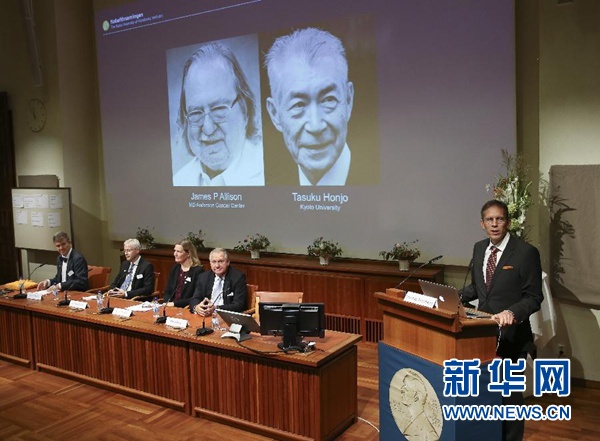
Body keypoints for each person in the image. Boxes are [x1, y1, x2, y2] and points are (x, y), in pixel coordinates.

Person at [460, 199, 543, 441]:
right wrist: (453, 297)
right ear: (482, 224)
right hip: (482, 335)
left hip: (511, 337)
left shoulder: (526, 252)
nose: (494, 224)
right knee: (486, 395)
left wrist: (513, 313)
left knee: (509, 400)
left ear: (508, 222)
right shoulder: (479, 248)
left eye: (499, 219)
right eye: (490, 220)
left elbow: (534, 297)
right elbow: (478, 289)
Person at [265, 27, 356, 186]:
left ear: (348, 100)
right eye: (298, 105)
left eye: (328, 100)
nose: (316, 126)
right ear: (275, 114)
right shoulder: (272, 188)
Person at [172, 41, 264, 186]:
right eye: (196, 113)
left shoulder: (269, 171)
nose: (208, 128)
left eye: (219, 109)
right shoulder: (179, 181)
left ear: (244, 110)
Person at [188, 248, 247, 316]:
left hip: (226, 316)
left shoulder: (238, 277)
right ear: (210, 263)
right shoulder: (203, 277)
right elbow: (195, 298)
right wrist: (197, 307)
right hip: (206, 315)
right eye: (214, 262)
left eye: (221, 261)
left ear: (228, 262)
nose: (217, 266)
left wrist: (216, 308)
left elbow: (239, 305)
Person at [163, 239, 205, 308]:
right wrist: (167, 302)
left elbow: (196, 297)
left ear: (188, 253)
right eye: (175, 251)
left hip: (185, 307)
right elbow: (167, 291)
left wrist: (174, 304)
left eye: (178, 251)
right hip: (169, 306)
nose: (175, 254)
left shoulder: (198, 271)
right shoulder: (175, 268)